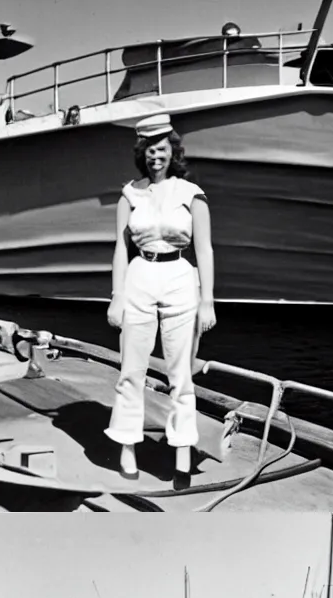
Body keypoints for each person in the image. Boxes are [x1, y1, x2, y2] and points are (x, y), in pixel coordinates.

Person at [104, 113, 217, 483]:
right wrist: (117, 297)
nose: (157, 156)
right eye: (150, 150)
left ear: (173, 152)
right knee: (131, 371)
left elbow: (205, 249)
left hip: (181, 278)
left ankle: (182, 453)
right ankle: (126, 448)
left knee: (180, 374)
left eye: (163, 149)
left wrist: (208, 301)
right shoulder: (130, 194)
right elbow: (121, 250)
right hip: (139, 277)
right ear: (143, 153)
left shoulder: (191, 194)